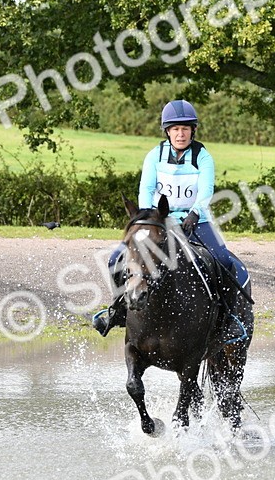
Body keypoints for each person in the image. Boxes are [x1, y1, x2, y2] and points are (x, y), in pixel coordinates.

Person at [93, 99, 252, 336]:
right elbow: (145, 189)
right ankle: (119, 311)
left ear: (192, 131)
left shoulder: (203, 157)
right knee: (115, 259)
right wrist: (151, 217)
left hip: (196, 220)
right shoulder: (154, 155)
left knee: (223, 260)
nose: (181, 134)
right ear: (168, 131)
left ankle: (226, 319)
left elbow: (206, 190)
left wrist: (195, 212)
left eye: (185, 129)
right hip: (159, 220)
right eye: (176, 129)